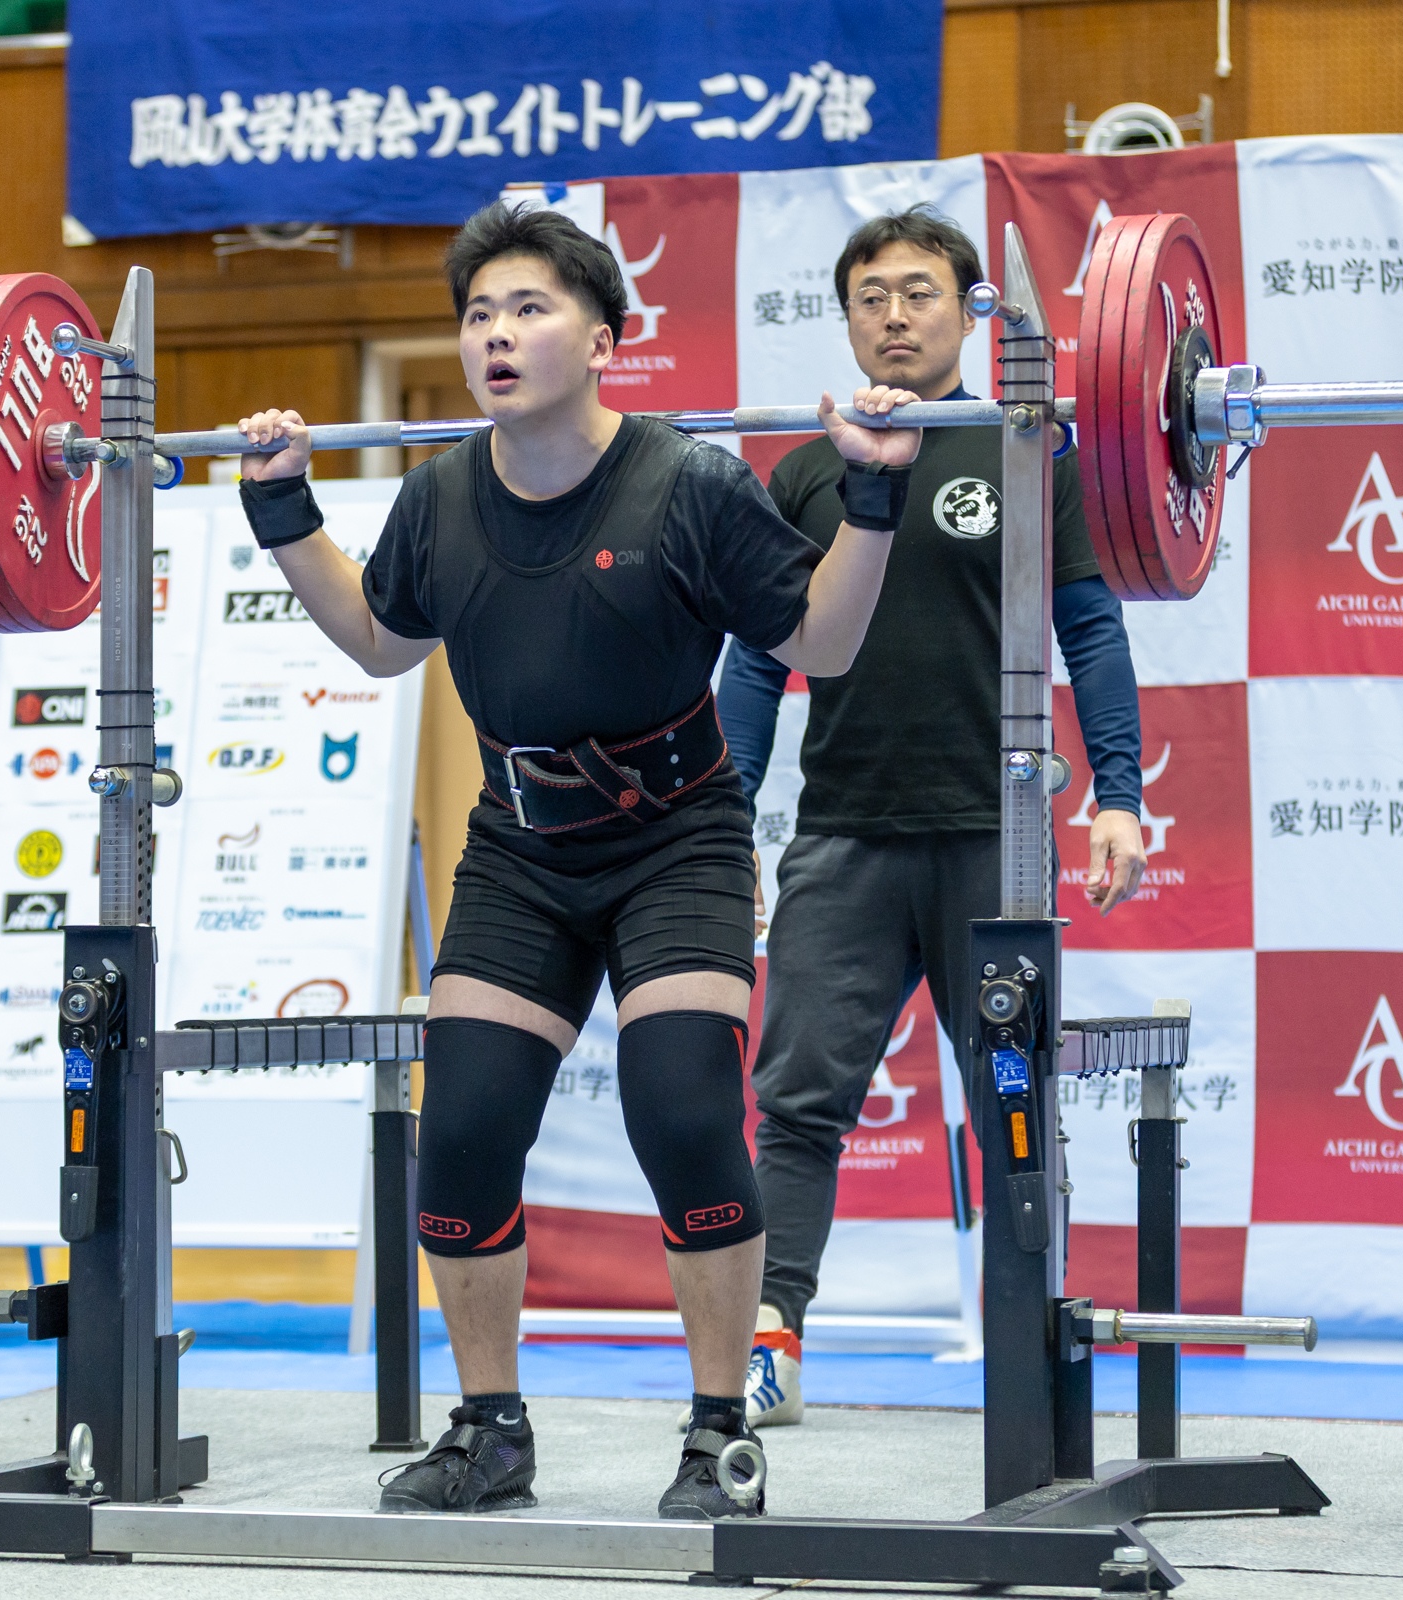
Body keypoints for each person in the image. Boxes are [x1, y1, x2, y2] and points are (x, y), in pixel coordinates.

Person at [235, 200, 914, 1520]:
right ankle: (490, 1432)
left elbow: (822, 643)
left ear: (603, 340)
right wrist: (281, 507)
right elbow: (379, 639)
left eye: (529, 309)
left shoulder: (689, 483)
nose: (495, 334)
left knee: (685, 1113)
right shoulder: (440, 498)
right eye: (478, 314)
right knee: (462, 1135)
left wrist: (875, 495)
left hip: (678, 840)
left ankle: (719, 1434)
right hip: (521, 849)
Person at [711, 209, 1146, 1426]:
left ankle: (1032, 1353)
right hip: (843, 838)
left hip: (995, 842)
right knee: (796, 1105)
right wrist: (728, 823)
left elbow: (1093, 631)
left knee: (1015, 1101)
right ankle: (771, 1346)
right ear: (847, 318)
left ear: (970, 311)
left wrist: (1120, 796)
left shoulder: (1029, 449)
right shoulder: (808, 474)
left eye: (918, 292)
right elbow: (756, 664)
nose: (894, 316)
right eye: (871, 297)